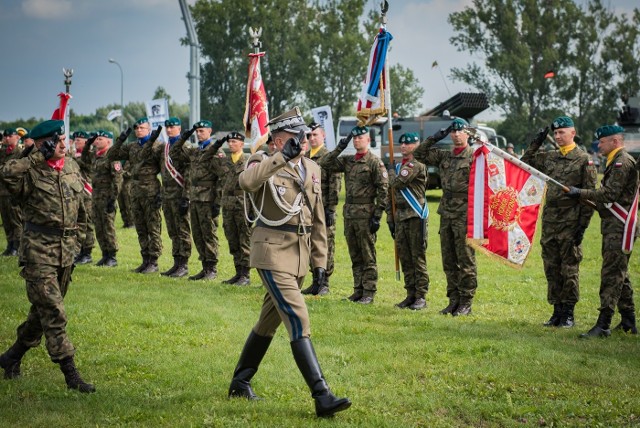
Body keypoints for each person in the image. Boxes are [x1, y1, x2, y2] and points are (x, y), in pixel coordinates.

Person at [228, 107, 351, 418]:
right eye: (297, 136)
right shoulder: (261, 160)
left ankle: (240, 382)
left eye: (306, 135)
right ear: (279, 139)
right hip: (271, 251)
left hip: (298, 254)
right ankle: (322, 395)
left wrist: (320, 262)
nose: (305, 140)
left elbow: (318, 218)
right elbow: (247, 182)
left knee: (268, 321)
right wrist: (281, 156)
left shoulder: (312, 168)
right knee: (298, 318)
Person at [0, 119, 95, 393]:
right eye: (58, 142)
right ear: (44, 144)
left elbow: (81, 210)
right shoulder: (29, 171)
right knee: (54, 312)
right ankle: (71, 375)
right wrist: (35, 154)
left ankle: (11, 357)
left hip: (65, 253)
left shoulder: (71, 167)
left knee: (40, 314)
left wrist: (80, 244)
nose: (64, 146)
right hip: (38, 252)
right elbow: (5, 173)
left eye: (64, 140)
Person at [521, 116, 597, 327]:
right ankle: (556, 311)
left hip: (570, 220)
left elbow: (589, 196)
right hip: (551, 220)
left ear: (573, 133)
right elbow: (525, 163)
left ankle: (569, 313)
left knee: (569, 268)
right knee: (551, 267)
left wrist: (582, 226)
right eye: (555, 133)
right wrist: (536, 143)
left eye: (561, 132)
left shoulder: (584, 160)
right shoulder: (550, 157)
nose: (557, 136)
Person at [567, 124, 639, 337]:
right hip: (614, 226)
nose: (599, 144)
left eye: (602, 141)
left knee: (611, 275)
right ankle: (628, 320)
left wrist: (580, 192)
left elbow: (609, 195)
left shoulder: (621, 162)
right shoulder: (616, 161)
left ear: (615, 141)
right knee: (620, 274)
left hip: (620, 226)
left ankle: (603, 324)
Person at [413, 117, 477, 316]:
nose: (456, 134)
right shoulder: (445, 156)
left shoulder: (475, 157)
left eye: (460, 131)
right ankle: (454, 299)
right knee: (449, 259)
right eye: (453, 131)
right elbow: (419, 154)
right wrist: (434, 137)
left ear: (468, 134)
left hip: (465, 214)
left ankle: (466, 301)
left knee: (465, 259)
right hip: (447, 213)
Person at [319, 125, 389, 304]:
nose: (357, 140)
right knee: (355, 254)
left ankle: (369, 291)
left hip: (366, 214)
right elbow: (325, 163)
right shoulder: (348, 160)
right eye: (355, 138)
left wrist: (377, 216)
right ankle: (358, 290)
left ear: (369, 140)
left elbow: (383, 189)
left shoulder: (374, 162)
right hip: (350, 214)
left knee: (368, 255)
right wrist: (341, 146)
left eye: (361, 137)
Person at [170, 120, 225, 280]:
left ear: (210, 131)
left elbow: (223, 177)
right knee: (197, 234)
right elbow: (174, 153)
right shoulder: (195, 151)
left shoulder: (215, 152)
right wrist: (184, 136)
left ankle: (212, 268)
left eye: (202, 131)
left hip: (208, 199)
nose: (199, 134)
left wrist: (217, 202)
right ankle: (204, 267)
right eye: (197, 131)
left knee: (208, 233)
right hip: (194, 198)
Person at [109, 117, 164, 273]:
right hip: (135, 190)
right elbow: (111, 155)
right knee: (140, 226)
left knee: (152, 226)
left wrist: (162, 192)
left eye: (142, 128)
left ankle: (153, 261)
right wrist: (121, 139)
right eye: (137, 128)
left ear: (148, 129)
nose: (139, 130)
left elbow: (163, 169)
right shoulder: (132, 146)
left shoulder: (157, 146)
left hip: (151, 189)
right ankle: (145, 259)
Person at [386, 132, 430, 310]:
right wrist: (390, 218)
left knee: (417, 257)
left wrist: (389, 172)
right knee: (405, 257)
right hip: (401, 218)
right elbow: (392, 196)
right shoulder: (398, 167)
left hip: (415, 215)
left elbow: (397, 183)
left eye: (408, 143)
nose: (403, 146)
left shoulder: (416, 165)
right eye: (402, 143)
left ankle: (421, 296)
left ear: (416, 145)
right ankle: (410, 294)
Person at [301, 122, 341, 296]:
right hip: (307, 208)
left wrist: (331, 208)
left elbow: (335, 183)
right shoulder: (305, 156)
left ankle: (325, 282)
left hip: (323, 208)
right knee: (309, 242)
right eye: (309, 136)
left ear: (323, 136)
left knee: (326, 244)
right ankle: (315, 280)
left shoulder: (329, 156)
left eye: (315, 135)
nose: (312, 138)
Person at [83, 129, 125, 267]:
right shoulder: (95, 155)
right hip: (96, 197)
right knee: (99, 227)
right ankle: (104, 254)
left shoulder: (112, 156)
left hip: (107, 197)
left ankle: (112, 256)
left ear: (108, 141)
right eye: (96, 139)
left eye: (100, 139)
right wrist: (87, 145)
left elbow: (118, 179)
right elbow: (84, 159)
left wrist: (113, 199)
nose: (97, 141)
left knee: (108, 227)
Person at [159, 117, 192, 278]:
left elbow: (188, 172)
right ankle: (176, 262)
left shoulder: (184, 146)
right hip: (167, 196)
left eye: (172, 127)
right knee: (173, 230)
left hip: (179, 195)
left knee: (182, 230)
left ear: (179, 128)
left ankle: (184, 264)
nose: (169, 129)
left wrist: (186, 197)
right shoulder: (166, 147)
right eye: (167, 127)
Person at [219, 131, 252, 286]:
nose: (231, 144)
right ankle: (238, 272)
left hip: (242, 205)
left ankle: (245, 275)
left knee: (244, 239)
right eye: (229, 142)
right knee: (232, 239)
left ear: (242, 144)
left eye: (234, 142)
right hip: (227, 205)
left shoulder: (248, 162)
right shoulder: (224, 162)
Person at [71, 130, 96, 265]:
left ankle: (87, 252)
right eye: (75, 140)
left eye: (79, 140)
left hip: (87, 193)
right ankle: (78, 250)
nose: (76, 142)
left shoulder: (90, 155)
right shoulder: (72, 155)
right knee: (76, 223)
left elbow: (87, 164)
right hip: (75, 193)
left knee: (88, 224)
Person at [0, 128, 23, 256]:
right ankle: (10, 245)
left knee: (16, 220)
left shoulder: (19, 153)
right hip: (2, 191)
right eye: (5, 136)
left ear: (17, 137)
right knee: (6, 220)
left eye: (10, 136)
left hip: (13, 191)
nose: (7, 138)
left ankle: (18, 246)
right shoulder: (3, 152)